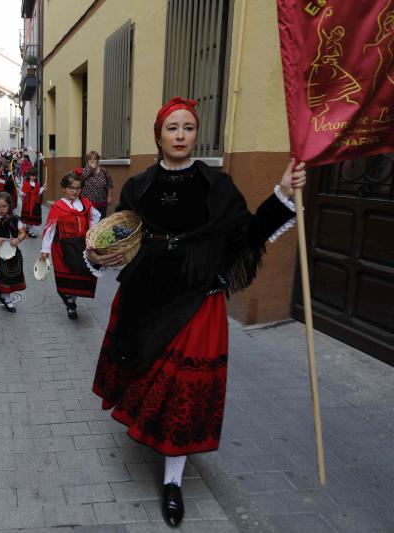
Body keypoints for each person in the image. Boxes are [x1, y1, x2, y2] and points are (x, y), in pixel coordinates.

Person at [86, 97, 306, 528]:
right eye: (173, 128)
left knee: (181, 395)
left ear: (196, 134)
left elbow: (250, 234)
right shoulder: (140, 186)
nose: (181, 135)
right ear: (159, 135)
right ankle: (154, 444)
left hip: (197, 303)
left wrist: (282, 192)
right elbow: (115, 238)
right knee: (146, 382)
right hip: (143, 301)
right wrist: (97, 255)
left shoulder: (216, 185)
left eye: (188, 127)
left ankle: (173, 481)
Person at [41, 169, 101, 320]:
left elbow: (96, 215)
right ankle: (69, 302)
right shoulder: (58, 207)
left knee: (81, 275)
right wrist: (45, 249)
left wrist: (92, 232)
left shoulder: (85, 203)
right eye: (71, 188)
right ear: (64, 188)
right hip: (63, 248)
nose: (75, 191)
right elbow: (50, 229)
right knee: (67, 278)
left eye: (78, 188)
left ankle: (71, 300)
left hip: (81, 246)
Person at [0, 192, 27, 313]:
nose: (2, 209)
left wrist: (17, 239)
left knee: (10, 276)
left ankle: (4, 295)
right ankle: (7, 299)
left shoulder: (16, 219)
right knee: (1, 276)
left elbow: (23, 233)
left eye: (4, 206)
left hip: (12, 254)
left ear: (10, 206)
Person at [81, 150, 114, 217]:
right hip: (88, 205)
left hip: (102, 204)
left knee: (100, 223)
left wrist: (109, 197)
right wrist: (90, 169)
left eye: (94, 159)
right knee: (90, 224)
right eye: (90, 159)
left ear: (98, 160)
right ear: (87, 161)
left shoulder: (104, 171)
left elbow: (110, 184)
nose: (92, 161)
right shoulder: (84, 171)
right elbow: (81, 179)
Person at [19, 167, 43, 237]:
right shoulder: (26, 183)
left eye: (35, 176)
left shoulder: (37, 184)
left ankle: (30, 230)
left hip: (35, 203)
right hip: (27, 203)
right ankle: (29, 230)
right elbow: (24, 193)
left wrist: (42, 189)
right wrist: (21, 193)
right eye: (32, 175)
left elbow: (37, 193)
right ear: (29, 175)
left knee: (32, 217)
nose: (34, 177)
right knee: (28, 217)